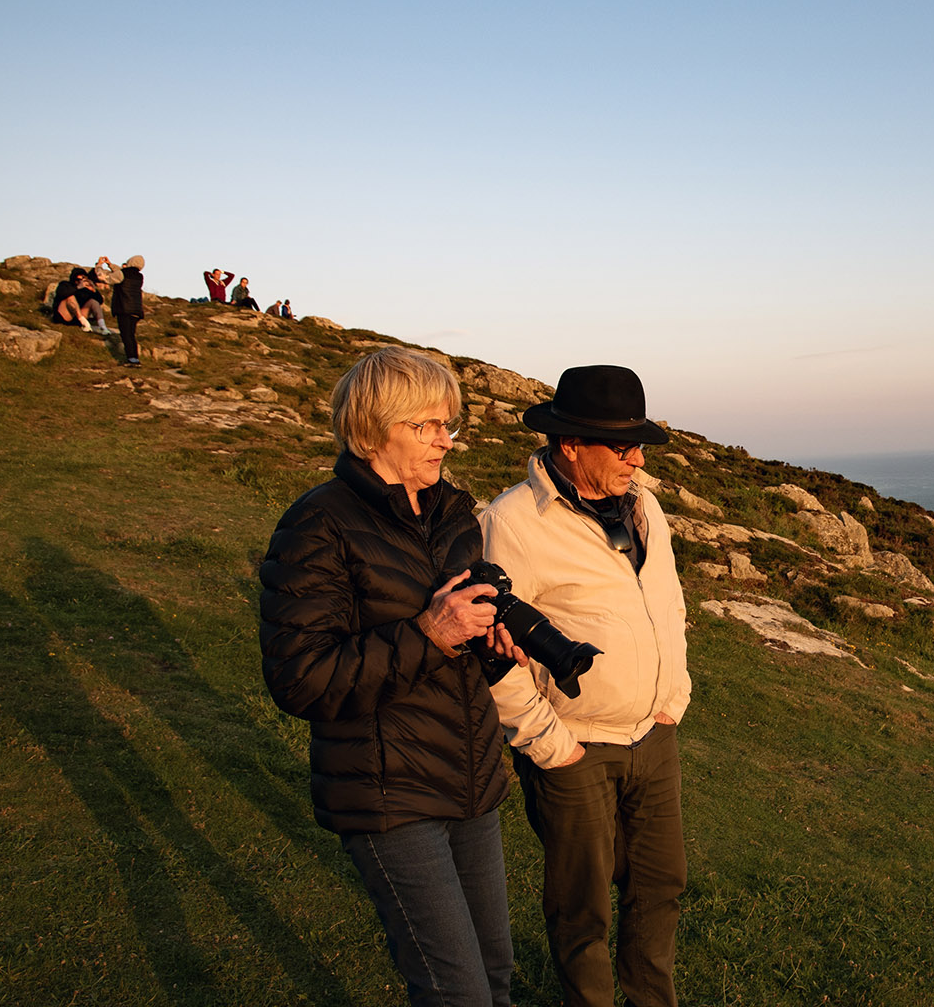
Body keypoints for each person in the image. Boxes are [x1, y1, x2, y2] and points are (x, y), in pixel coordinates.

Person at [259, 346, 523, 1007]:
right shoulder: (319, 524)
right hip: (387, 793)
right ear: (374, 430)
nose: (446, 440)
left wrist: (490, 646)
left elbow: (457, 656)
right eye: (426, 425)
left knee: (496, 978)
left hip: (470, 778)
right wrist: (427, 633)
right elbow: (301, 679)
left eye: (448, 424)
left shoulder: (452, 514)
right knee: (457, 992)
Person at [480, 364, 691, 1007]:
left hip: (653, 735)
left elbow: (669, 602)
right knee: (583, 906)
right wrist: (548, 743)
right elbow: (493, 648)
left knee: (660, 886)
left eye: (640, 445)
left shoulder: (646, 507)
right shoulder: (513, 521)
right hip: (574, 747)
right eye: (622, 447)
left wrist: (673, 696)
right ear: (571, 444)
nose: (637, 460)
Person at [110, 255, 146, 366]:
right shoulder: (139, 276)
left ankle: (132, 360)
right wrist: (110, 265)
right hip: (136, 309)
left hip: (124, 308)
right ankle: (135, 358)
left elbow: (108, 278)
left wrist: (99, 266)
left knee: (126, 335)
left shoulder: (123, 273)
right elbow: (121, 273)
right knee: (131, 335)